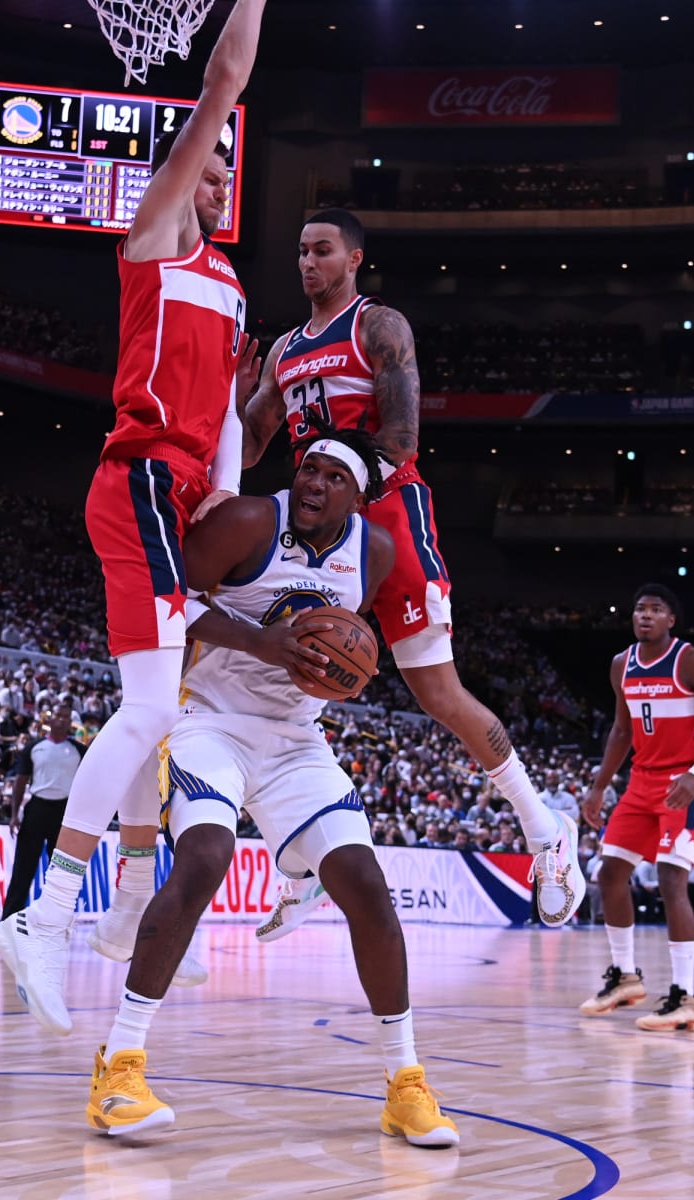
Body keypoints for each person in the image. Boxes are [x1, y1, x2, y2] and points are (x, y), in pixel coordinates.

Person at [0, 0, 267, 1037]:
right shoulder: (153, 236)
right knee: (152, 710)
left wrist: (240, 519)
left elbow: (232, 439)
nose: (218, 174)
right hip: (140, 479)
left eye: (225, 171)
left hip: (190, 498)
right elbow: (225, 80)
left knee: (168, 710)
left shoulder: (232, 287)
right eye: (206, 162)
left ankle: (115, 910)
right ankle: (48, 915)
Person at [85, 432, 458, 1148]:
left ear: (357, 495)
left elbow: (345, 636)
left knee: (365, 884)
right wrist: (262, 642)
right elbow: (163, 598)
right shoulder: (250, 521)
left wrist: (334, 665)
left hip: (295, 738)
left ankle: (405, 1084)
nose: (314, 484)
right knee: (203, 860)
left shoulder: (373, 552)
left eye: (332, 477)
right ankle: (119, 1069)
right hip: (207, 721)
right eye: (307, 470)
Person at [240, 208, 583, 938]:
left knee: (439, 693)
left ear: (354, 257)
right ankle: (300, 867)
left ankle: (546, 831)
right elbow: (245, 450)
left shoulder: (378, 326)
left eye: (322, 250)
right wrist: (225, 397)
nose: (308, 262)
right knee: (296, 676)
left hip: (387, 512)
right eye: (300, 250)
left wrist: (340, 490)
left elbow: (401, 435)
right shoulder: (281, 352)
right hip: (318, 522)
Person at [578, 584, 694, 1032]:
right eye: (639, 608)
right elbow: (622, 731)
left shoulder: (692, 661)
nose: (644, 615)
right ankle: (625, 977)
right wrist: (598, 786)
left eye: (655, 609)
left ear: (671, 620)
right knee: (609, 873)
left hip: (683, 780)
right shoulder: (620, 665)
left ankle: (685, 997)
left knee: (670, 878)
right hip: (641, 783)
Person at [1, 710, 86, 917]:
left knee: (60, 871)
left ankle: (57, 920)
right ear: (49, 720)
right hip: (37, 809)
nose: (63, 719)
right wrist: (14, 814)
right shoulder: (34, 747)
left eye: (66, 717)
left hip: (65, 813)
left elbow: (87, 783)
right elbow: (20, 781)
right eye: (59, 716)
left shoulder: (78, 750)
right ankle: (8, 920)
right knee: (23, 868)